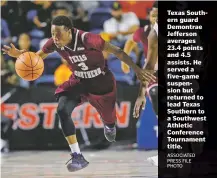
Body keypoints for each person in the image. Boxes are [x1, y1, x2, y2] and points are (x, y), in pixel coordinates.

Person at [2, 15, 155, 172]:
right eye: (52, 34)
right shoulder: (54, 43)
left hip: (101, 81)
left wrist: (137, 70)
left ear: (69, 31)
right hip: (78, 81)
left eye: (58, 34)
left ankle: (109, 125)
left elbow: (118, 51)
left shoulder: (88, 39)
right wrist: (21, 55)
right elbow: (36, 58)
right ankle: (77, 155)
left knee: (109, 120)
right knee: (62, 109)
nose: (54, 38)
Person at [124, 2, 158, 166]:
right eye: (154, 16)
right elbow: (130, 42)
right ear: (149, 17)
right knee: (156, 95)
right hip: (154, 74)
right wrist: (125, 61)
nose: (157, 19)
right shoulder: (145, 33)